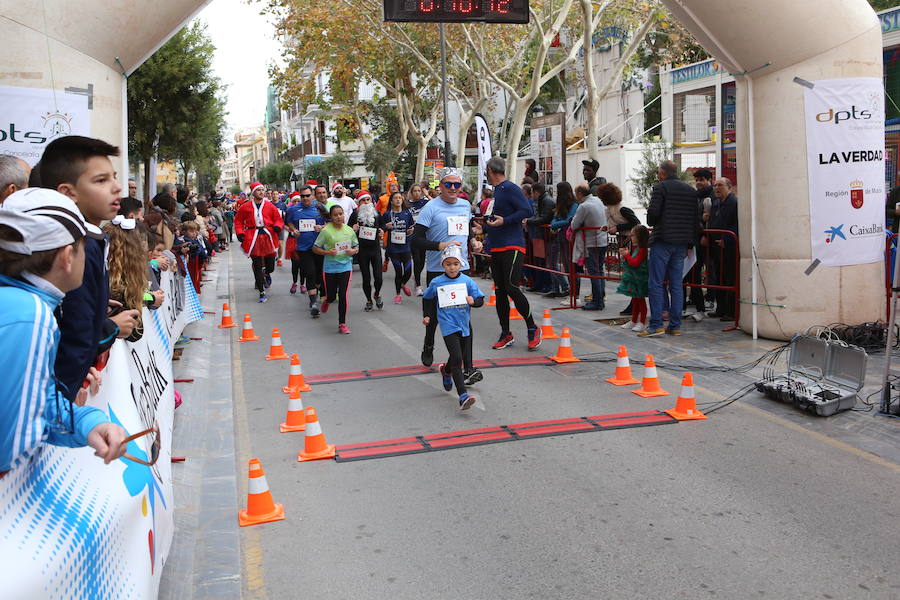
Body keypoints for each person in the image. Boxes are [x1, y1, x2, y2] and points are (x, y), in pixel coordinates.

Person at [0, 188, 128, 476]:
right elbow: (12, 447)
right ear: (68, 256)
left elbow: (37, 400)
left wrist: (88, 423)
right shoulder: (30, 315)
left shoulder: (28, 305)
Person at [39, 136, 138, 403]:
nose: (117, 188)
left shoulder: (95, 240)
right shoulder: (73, 247)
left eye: (114, 177)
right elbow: (73, 336)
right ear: (67, 192)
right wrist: (111, 327)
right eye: (101, 180)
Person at [412, 166, 484, 385]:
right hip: (437, 269)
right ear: (440, 186)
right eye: (448, 184)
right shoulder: (430, 208)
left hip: (460, 269)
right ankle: (428, 343)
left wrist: (473, 241)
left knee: (463, 318)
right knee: (434, 317)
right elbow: (415, 240)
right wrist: (439, 245)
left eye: (457, 185)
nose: (453, 188)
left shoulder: (464, 205)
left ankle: (468, 368)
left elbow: (466, 230)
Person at [482, 156, 541, 350]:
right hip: (497, 246)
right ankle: (506, 333)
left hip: (512, 245)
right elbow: (497, 216)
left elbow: (527, 210)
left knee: (511, 287)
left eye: (486, 171)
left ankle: (532, 328)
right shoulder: (497, 191)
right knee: (500, 291)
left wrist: (504, 221)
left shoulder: (510, 188)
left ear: (491, 170)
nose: (486, 174)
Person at [639, 160, 702, 337]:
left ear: (662, 173)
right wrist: (690, 243)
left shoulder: (661, 188)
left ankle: (656, 325)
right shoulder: (691, 191)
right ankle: (675, 326)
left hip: (663, 240)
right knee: (676, 284)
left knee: (656, 283)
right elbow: (695, 220)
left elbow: (652, 216)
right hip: (682, 243)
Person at [422, 245, 484, 410]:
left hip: (464, 324)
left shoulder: (467, 281)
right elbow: (427, 298)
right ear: (443, 265)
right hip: (448, 324)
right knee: (457, 358)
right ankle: (463, 395)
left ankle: (446, 370)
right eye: (448, 264)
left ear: (461, 264)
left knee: (457, 357)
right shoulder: (437, 282)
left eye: (455, 264)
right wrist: (427, 315)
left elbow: (480, 299)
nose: (452, 267)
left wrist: (474, 302)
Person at [233, 182, 284, 303]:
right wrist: (240, 232)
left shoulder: (270, 205)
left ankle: (266, 273)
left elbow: (278, 219)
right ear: (253, 193)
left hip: (268, 236)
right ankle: (261, 291)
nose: (261, 192)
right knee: (257, 265)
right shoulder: (245, 207)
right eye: (258, 190)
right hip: (253, 237)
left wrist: (277, 226)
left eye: (262, 190)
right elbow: (238, 221)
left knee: (270, 265)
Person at [313, 204, 359, 334]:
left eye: (341, 214)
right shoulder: (326, 231)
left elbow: (356, 246)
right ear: (331, 217)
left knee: (343, 295)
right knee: (332, 296)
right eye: (335, 215)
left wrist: (353, 251)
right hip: (330, 268)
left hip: (345, 266)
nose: (339, 217)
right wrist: (328, 253)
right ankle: (327, 300)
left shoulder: (349, 230)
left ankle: (342, 324)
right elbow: (315, 248)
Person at [596, 182, 640, 313]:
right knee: (630, 275)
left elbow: (636, 223)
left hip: (631, 244)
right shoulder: (611, 209)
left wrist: (617, 228)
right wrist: (608, 227)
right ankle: (634, 305)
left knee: (632, 275)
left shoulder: (622, 209)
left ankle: (635, 305)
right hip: (624, 243)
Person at [284, 186, 325, 316]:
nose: (305, 198)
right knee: (310, 273)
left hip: (319, 247)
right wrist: (293, 230)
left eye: (307, 195)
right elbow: (289, 222)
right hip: (303, 248)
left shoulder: (319, 207)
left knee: (319, 275)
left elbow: (331, 222)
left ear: (312, 195)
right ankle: (313, 303)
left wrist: (322, 227)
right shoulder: (293, 209)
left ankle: (316, 292)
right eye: (303, 196)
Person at [570, 183, 608, 311]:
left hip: (592, 242)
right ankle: (600, 297)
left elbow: (574, 225)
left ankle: (597, 301)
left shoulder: (584, 206)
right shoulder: (597, 200)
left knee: (594, 272)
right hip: (602, 239)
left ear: (580, 194)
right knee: (600, 270)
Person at [706, 178, 739, 321]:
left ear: (729, 187)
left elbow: (737, 224)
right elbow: (713, 222)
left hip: (729, 248)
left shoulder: (734, 202)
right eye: (715, 185)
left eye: (720, 185)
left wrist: (727, 240)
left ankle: (731, 312)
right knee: (718, 278)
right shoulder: (716, 203)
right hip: (715, 247)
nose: (717, 188)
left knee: (729, 278)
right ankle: (720, 309)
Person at [348, 191, 384, 311]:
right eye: (363, 200)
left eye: (368, 200)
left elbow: (383, 226)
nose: (366, 202)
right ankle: (368, 300)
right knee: (366, 278)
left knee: (378, 277)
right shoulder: (355, 215)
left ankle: (377, 294)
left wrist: (382, 231)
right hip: (362, 250)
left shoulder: (376, 213)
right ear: (359, 203)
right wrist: (353, 230)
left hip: (375, 249)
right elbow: (347, 231)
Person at [381, 191, 415, 303]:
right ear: (391, 201)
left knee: (408, 271)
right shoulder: (387, 214)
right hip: (393, 248)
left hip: (406, 247)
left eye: (400, 198)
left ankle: (402, 284)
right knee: (398, 272)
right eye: (395, 198)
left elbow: (411, 227)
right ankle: (398, 294)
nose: (398, 200)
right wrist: (386, 226)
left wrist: (411, 231)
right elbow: (381, 228)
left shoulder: (407, 213)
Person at [546, 181, 578, 298]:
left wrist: (555, 225)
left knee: (569, 265)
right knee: (558, 263)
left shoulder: (574, 204)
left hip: (568, 238)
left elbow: (569, 220)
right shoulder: (560, 204)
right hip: (560, 237)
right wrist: (555, 224)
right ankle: (566, 289)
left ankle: (573, 292)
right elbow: (554, 219)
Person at [617, 225, 650, 332]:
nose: (631, 237)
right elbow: (632, 262)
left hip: (640, 279)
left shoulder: (642, 250)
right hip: (635, 278)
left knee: (640, 301)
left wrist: (626, 255)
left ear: (639, 237)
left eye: (633, 235)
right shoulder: (637, 248)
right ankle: (634, 320)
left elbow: (635, 263)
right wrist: (626, 256)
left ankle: (643, 322)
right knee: (635, 300)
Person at [524, 181, 555, 293]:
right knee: (538, 260)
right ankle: (539, 284)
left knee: (542, 261)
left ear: (536, 192)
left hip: (542, 234)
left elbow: (544, 218)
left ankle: (546, 284)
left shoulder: (546, 201)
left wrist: (529, 221)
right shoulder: (541, 200)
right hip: (538, 234)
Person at [408, 183, 431, 295]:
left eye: (419, 191)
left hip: (424, 234)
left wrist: (427, 195)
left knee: (422, 260)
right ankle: (418, 285)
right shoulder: (408, 204)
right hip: (413, 235)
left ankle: (416, 275)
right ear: (411, 193)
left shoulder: (425, 203)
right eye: (415, 191)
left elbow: (437, 203)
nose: (417, 193)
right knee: (416, 259)